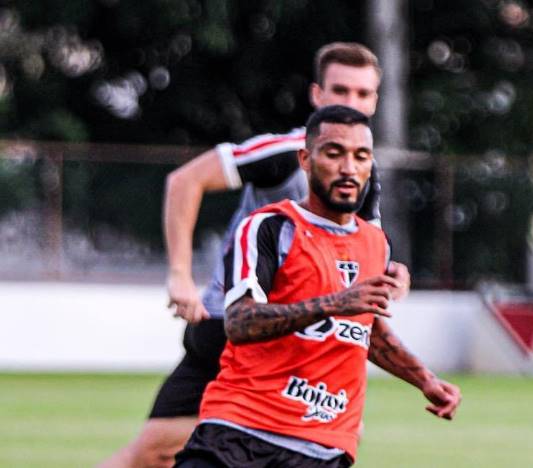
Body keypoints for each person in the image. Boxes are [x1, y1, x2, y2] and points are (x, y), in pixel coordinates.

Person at [100, 42, 409, 468]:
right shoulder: (284, 154)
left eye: (362, 94)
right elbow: (185, 182)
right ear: (317, 95)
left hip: (310, 341)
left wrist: (395, 275)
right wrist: (179, 274)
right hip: (236, 322)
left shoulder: (362, 173)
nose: (350, 101)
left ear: (375, 101)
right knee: (153, 451)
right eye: (340, 90)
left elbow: (364, 258)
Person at [173, 105, 460, 467]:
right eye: (334, 153)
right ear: (306, 160)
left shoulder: (376, 244)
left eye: (361, 156)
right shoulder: (269, 227)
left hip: (322, 448)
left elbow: (365, 330)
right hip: (237, 435)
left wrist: (424, 379)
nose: (348, 168)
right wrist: (334, 303)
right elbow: (240, 322)